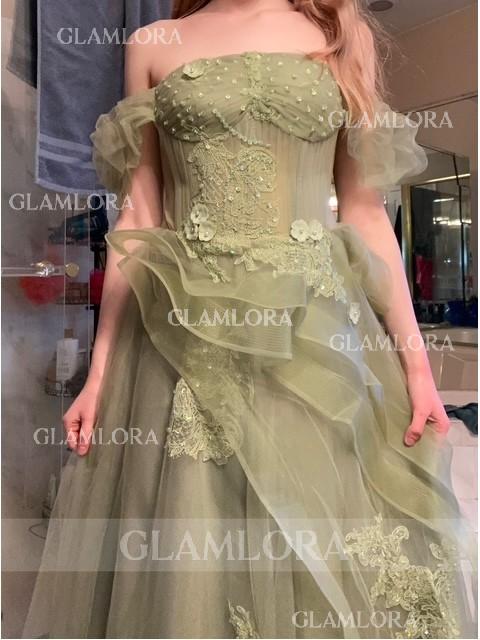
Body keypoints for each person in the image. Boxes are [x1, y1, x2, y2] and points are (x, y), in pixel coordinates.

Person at [24, 1, 475, 638]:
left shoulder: (338, 34)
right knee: (195, 531)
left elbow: (365, 212)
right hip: (183, 340)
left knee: (322, 526)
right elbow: (140, 219)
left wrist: (417, 368)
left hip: (312, 332)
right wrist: (97, 376)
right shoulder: (154, 42)